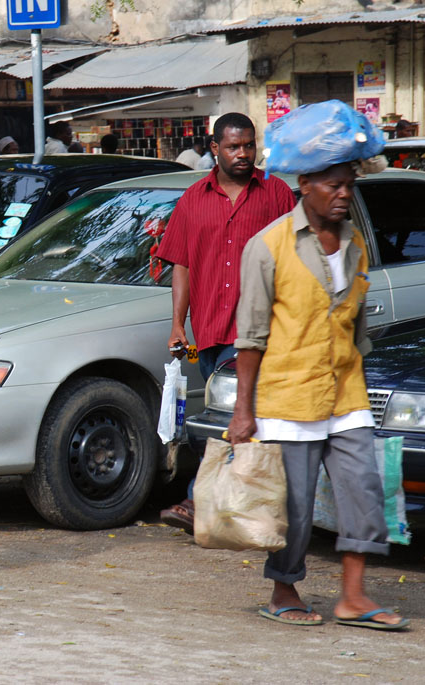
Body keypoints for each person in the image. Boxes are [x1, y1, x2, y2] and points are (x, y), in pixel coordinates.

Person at [229, 101, 407, 630]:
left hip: (346, 391)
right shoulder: (268, 248)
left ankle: (353, 597)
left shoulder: (354, 245)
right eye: (333, 185)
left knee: (364, 493)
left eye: (349, 185)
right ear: (304, 185)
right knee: (297, 511)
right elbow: (250, 336)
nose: (344, 194)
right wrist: (244, 412)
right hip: (289, 400)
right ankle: (285, 591)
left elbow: (355, 328)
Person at [155, 112, 296, 533]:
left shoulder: (276, 194)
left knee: (242, 414)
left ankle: (199, 501)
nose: (243, 154)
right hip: (211, 329)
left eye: (249, 145)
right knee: (228, 419)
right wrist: (178, 325)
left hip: (259, 331)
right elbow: (180, 263)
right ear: (214, 149)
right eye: (234, 147)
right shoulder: (194, 199)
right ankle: (240, 504)